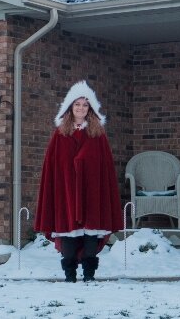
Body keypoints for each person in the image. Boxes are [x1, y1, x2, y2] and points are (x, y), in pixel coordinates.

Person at [34, 81, 123, 282]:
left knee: (91, 234)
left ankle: (89, 274)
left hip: (91, 193)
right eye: (77, 105)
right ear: (70, 108)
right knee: (68, 234)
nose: (81, 108)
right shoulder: (59, 135)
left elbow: (105, 167)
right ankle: (70, 274)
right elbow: (53, 167)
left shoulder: (98, 134)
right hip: (66, 193)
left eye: (85, 105)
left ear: (89, 108)